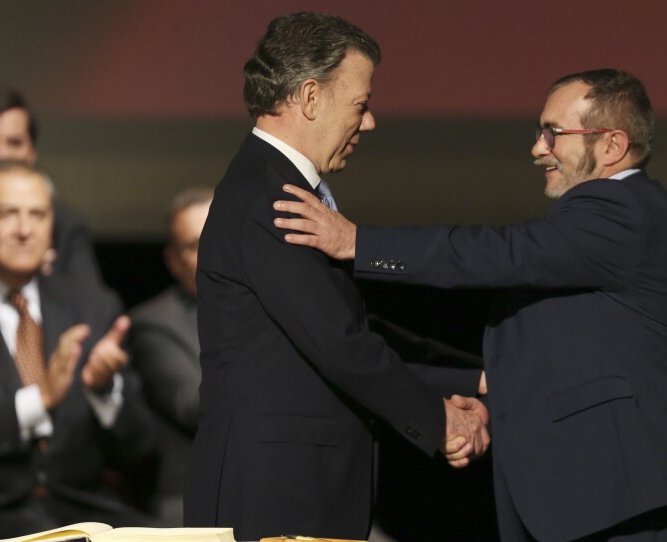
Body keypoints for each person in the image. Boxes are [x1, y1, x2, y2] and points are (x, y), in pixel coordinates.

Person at [274, 68, 667, 541]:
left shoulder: (623, 206)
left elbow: (498, 253)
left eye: (553, 133)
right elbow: (566, 355)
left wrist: (359, 242)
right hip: (595, 506)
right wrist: (490, 399)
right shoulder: (595, 234)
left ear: (611, 145)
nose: (538, 148)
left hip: (630, 508)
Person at [183, 12, 489, 540]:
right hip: (271, 500)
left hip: (296, 491)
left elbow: (356, 328)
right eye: (361, 104)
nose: (369, 122)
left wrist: (475, 380)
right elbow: (341, 344)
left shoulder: (280, 188)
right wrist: (441, 421)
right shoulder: (268, 198)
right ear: (309, 97)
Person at [0, 161, 155, 541]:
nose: (25, 230)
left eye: (38, 215)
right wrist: (38, 399)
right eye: (8, 214)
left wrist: (104, 391)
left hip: (82, 508)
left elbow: (139, 446)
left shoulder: (92, 305)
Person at [0, 85, 103, 286]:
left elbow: (92, 306)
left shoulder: (65, 225)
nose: (1, 155)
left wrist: (43, 281)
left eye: (14, 142)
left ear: (31, 153)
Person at [128, 187, 212, 525]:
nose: (211, 252)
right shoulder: (152, 323)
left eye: (219, 236)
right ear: (173, 261)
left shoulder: (279, 308)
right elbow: (194, 405)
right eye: (195, 245)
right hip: (196, 499)